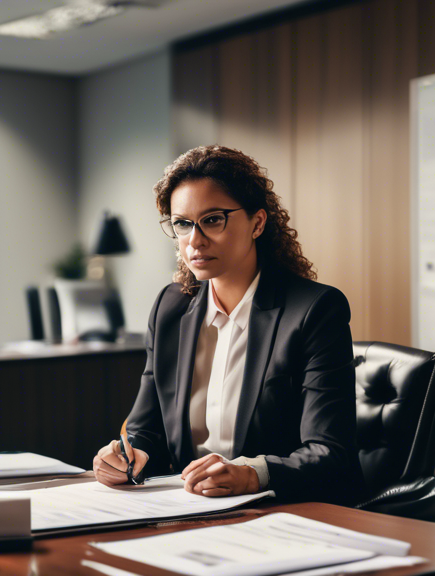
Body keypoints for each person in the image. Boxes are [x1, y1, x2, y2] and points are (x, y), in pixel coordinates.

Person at [92, 145, 364, 504]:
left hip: (283, 511)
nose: (195, 241)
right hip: (189, 509)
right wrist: (126, 458)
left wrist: (252, 475)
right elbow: (147, 430)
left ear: (257, 223)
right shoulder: (171, 308)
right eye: (183, 224)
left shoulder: (314, 310)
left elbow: (331, 453)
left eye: (213, 219)